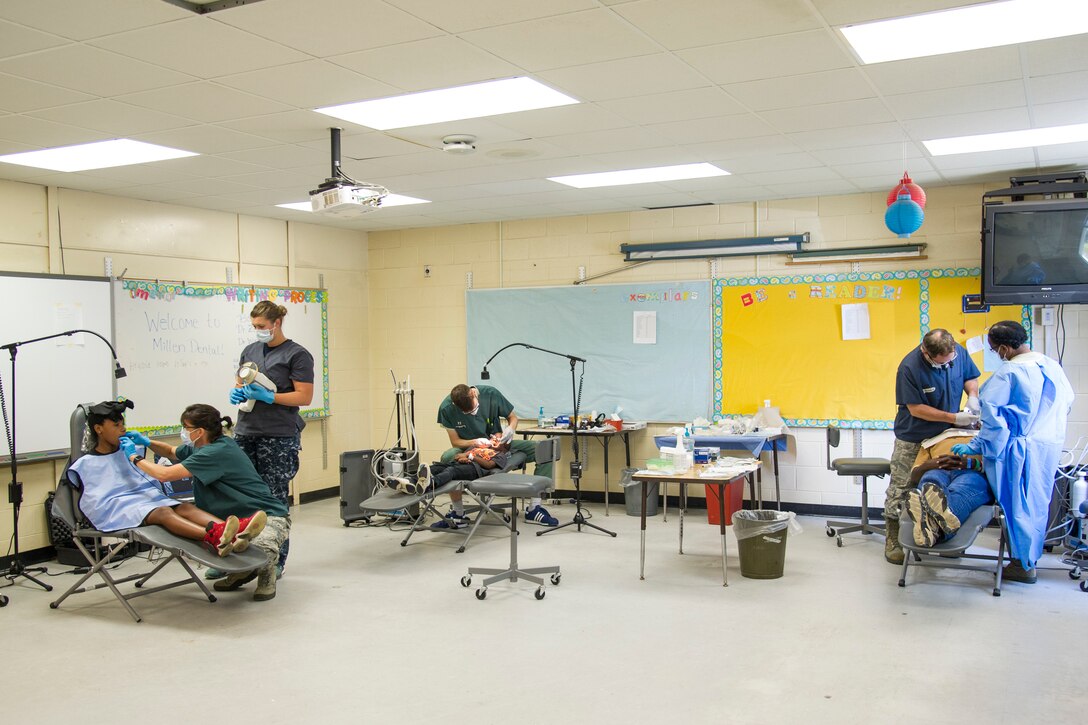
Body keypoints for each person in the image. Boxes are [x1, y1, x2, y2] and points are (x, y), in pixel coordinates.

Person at [122, 404, 291, 601]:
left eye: (186, 427)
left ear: (199, 431)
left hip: (267, 516)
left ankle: (265, 574)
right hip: (232, 519)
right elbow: (170, 451)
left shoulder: (214, 453)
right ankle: (242, 571)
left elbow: (165, 474)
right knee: (221, 536)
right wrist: (147, 441)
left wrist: (133, 457)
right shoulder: (204, 446)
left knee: (261, 549)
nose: (183, 431)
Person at [951, 320, 1074, 584]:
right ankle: (1029, 559)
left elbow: (994, 422)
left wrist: (974, 446)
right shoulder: (1051, 366)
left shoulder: (1009, 373)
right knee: (1036, 504)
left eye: (995, 350)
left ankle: (1022, 565)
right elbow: (1067, 403)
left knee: (1017, 505)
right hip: (1046, 446)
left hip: (1018, 450)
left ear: (1005, 348)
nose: (996, 355)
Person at [67, 400, 262, 558]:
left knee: (185, 507)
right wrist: (135, 458)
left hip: (143, 501)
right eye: (116, 425)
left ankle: (228, 531)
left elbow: (167, 456)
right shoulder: (85, 464)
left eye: (123, 424)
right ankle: (214, 536)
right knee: (163, 512)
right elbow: (96, 500)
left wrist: (143, 445)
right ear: (99, 429)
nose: (123, 429)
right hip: (116, 508)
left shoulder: (130, 450)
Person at [221, 300, 314, 581]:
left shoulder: (297, 355)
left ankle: (273, 562)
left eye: (262, 326)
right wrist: (238, 393)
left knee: (273, 501)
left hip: (278, 435)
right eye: (254, 327)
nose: (258, 331)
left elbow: (304, 397)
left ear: (277, 323)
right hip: (246, 431)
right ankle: (238, 558)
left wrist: (270, 397)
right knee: (241, 497)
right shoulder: (250, 351)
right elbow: (241, 382)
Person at [885, 328, 981, 564]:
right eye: (940, 363)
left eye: (950, 361)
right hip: (914, 435)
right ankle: (893, 540)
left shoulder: (957, 352)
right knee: (902, 485)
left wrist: (973, 395)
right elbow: (916, 408)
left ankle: (938, 532)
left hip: (946, 435)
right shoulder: (909, 367)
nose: (947, 365)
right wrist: (954, 417)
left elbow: (970, 377)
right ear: (926, 352)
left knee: (947, 480)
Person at [434, 384, 557, 528]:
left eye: (474, 409)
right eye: (468, 413)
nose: (473, 414)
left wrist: (510, 430)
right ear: (455, 406)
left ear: (474, 393)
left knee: (545, 450)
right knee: (447, 457)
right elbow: (455, 442)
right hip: (468, 448)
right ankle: (458, 514)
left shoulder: (490, 394)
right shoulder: (446, 409)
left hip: (498, 448)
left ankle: (534, 509)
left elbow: (513, 417)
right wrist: (474, 442)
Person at [903, 429, 993, 547]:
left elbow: (999, 469)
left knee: (963, 489)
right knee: (930, 484)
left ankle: (930, 523)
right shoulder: (932, 440)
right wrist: (930, 464)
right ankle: (938, 523)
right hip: (937, 469)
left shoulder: (986, 437)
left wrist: (972, 463)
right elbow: (914, 476)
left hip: (971, 471)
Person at [396, 435, 511, 497]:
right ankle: (410, 481)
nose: (493, 440)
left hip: (475, 470)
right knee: (436, 467)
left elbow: (489, 465)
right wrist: (464, 456)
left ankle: (431, 484)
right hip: (460, 464)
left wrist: (470, 457)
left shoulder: (500, 455)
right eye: (493, 438)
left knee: (451, 471)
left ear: (504, 447)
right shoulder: (477, 447)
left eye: (498, 440)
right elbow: (457, 456)